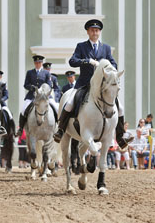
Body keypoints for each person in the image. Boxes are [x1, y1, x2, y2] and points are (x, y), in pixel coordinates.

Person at [53, 19, 134, 149]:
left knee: (120, 107)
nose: (94, 32)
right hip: (84, 83)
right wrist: (87, 61)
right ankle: (61, 130)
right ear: (88, 32)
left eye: (97, 30)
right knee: (69, 103)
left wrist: (111, 69)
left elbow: (113, 63)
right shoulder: (81, 46)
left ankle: (120, 135)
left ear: (99, 32)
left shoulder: (106, 48)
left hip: (101, 86)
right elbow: (72, 61)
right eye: (92, 30)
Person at [16, 55, 52, 137]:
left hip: (44, 96)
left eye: (39, 62)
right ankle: (21, 128)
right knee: (23, 109)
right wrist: (32, 88)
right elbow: (26, 85)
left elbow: (49, 84)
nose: (37, 64)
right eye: (36, 62)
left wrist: (44, 90)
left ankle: (58, 128)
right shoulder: (30, 72)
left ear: (42, 63)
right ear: (34, 63)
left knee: (55, 107)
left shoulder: (46, 73)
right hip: (32, 96)